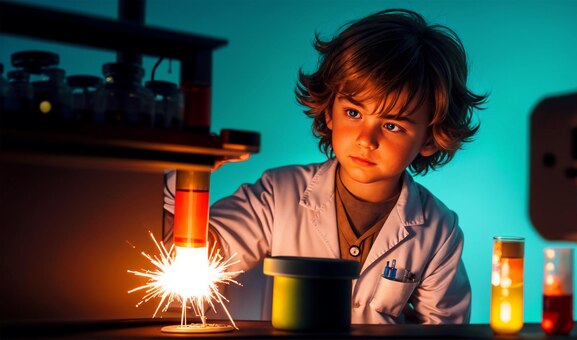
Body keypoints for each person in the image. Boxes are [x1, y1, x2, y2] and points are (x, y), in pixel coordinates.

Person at [164, 8, 486, 324]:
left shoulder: (438, 229)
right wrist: (185, 177)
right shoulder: (277, 195)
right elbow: (186, 256)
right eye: (354, 113)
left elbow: (446, 330)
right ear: (330, 111)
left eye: (392, 126)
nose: (366, 139)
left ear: (429, 138)